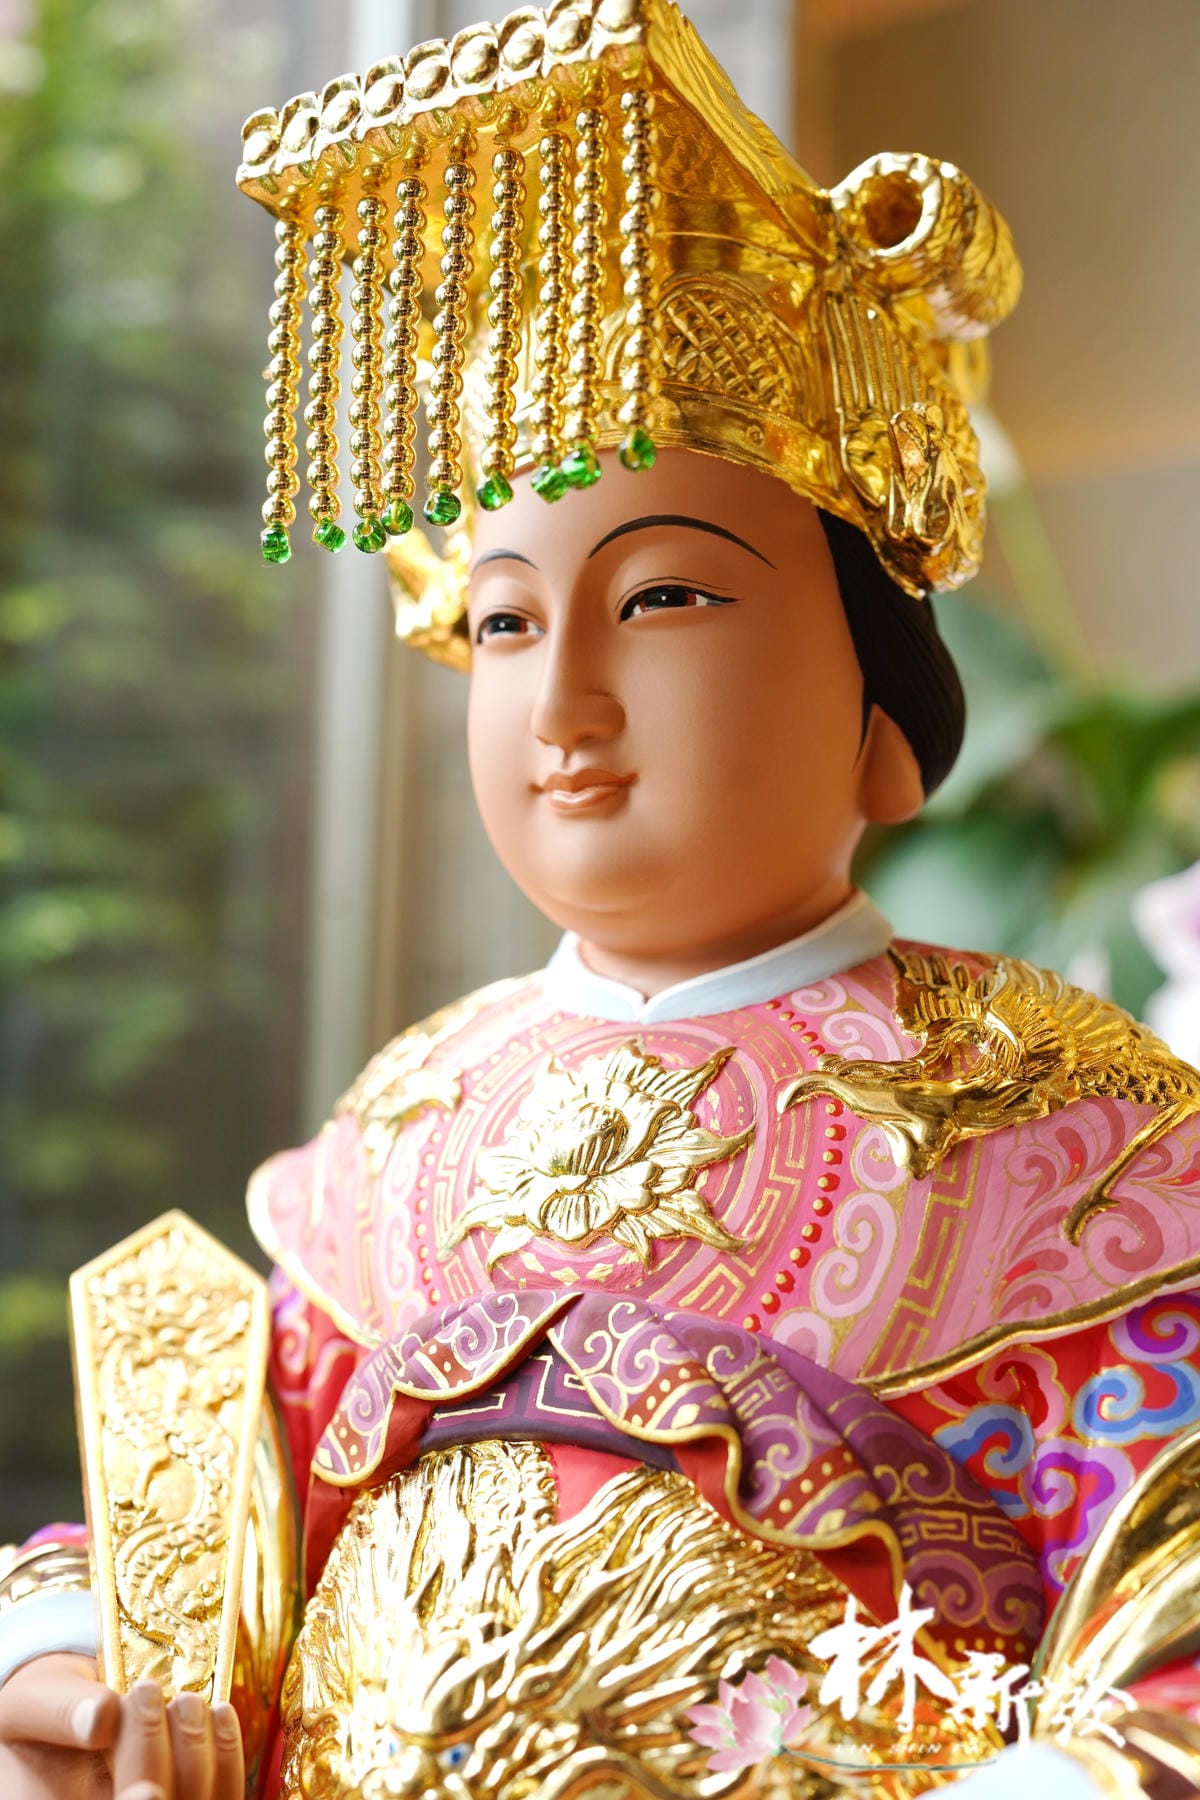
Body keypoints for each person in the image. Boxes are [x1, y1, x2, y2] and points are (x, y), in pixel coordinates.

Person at [3, 2, 1200, 1795]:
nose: (561, 702)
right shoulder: (408, 1129)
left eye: (663, 602)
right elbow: (210, 1539)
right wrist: (77, 1662)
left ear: (884, 719)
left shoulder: (1072, 1144)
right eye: (502, 622)